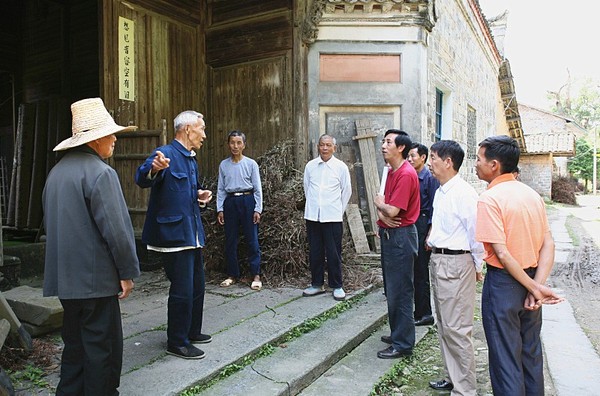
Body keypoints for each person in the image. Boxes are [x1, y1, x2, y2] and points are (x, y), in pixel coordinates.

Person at [43, 97, 141, 395]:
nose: (114, 139)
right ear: (95, 139)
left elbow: (52, 227)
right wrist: (126, 272)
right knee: (102, 351)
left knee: (74, 347)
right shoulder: (101, 173)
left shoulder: (55, 174)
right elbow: (117, 232)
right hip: (96, 281)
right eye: (110, 134)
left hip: (66, 281)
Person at [475, 135, 563, 395]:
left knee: (505, 360)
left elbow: (502, 253)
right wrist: (537, 286)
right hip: (532, 280)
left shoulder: (489, 199)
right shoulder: (532, 195)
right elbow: (549, 244)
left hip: (504, 285)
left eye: (478, 159)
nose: (475, 164)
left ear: (494, 165)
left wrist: (533, 288)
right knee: (531, 354)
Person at [135, 110, 213, 360]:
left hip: (192, 234)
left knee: (197, 285)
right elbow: (142, 177)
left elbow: (182, 195)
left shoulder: (190, 159)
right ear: (188, 129)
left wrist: (198, 197)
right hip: (174, 237)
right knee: (182, 289)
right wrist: (153, 169)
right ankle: (176, 342)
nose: (204, 134)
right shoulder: (165, 154)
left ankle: (191, 331)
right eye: (201, 128)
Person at [426, 140, 484, 395]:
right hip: (439, 261)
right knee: (444, 324)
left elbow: (477, 234)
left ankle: (465, 390)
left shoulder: (464, 193)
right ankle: (453, 377)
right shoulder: (442, 191)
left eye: (433, 158)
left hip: (457, 262)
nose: (429, 163)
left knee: (458, 328)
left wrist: (478, 265)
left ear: (448, 162)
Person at [374, 129, 420, 359]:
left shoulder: (405, 174)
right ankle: (397, 333)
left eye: (388, 142)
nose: (383, 145)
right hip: (390, 234)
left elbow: (391, 209)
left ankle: (402, 344)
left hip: (401, 237)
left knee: (401, 291)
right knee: (392, 290)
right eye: (383, 141)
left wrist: (380, 205)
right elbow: (385, 213)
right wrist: (382, 214)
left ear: (401, 147)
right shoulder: (390, 171)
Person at [302, 134, 352, 301]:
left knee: (333, 253)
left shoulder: (341, 167)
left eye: (328, 145)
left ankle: (337, 285)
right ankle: (317, 284)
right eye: (322, 145)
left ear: (334, 148)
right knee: (315, 251)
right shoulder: (310, 166)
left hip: (332, 217)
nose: (325, 148)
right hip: (313, 216)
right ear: (318, 146)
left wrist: (338, 211)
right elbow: (307, 188)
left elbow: (346, 191)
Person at [216, 130, 263, 290]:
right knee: (230, 240)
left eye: (238, 143)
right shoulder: (224, 165)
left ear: (244, 145)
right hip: (230, 202)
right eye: (232, 143)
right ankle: (232, 274)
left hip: (247, 200)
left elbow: (257, 189)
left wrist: (257, 208)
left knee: (252, 239)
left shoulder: (251, 164)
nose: (235, 146)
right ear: (228, 144)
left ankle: (255, 274)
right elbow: (221, 188)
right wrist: (220, 208)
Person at [407, 143, 439, 326]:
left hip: (423, 224)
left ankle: (425, 313)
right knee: (413, 271)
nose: (410, 159)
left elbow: (435, 208)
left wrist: (429, 234)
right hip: (413, 224)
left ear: (423, 158)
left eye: (413, 156)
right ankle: (418, 310)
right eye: (408, 156)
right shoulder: (411, 176)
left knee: (420, 271)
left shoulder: (429, 178)